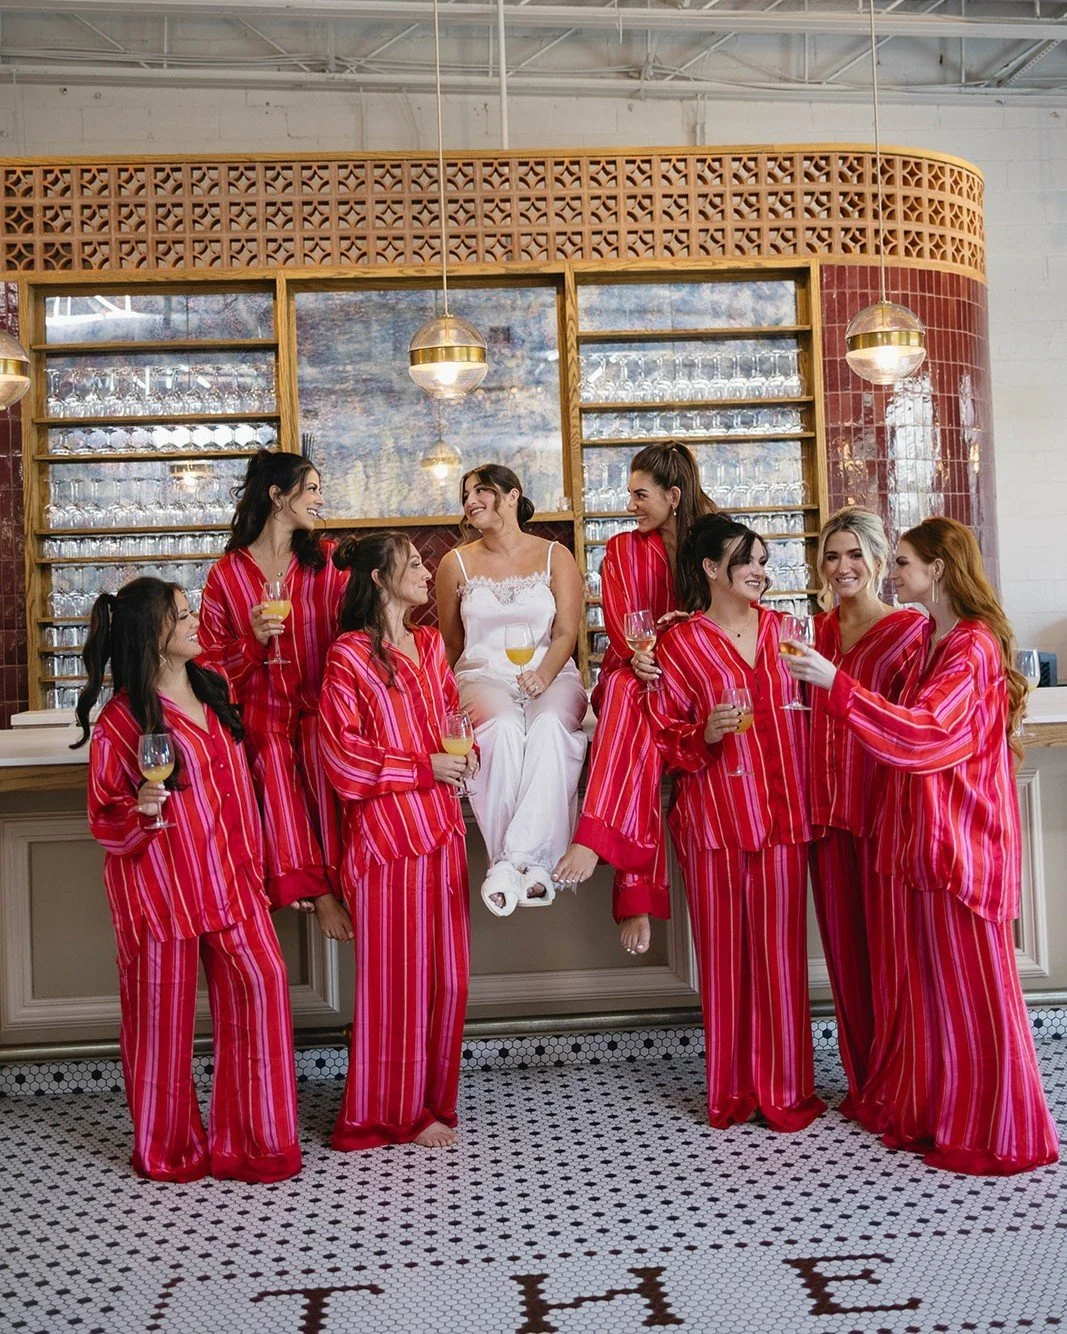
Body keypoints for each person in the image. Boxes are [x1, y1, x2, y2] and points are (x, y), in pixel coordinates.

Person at [785, 516, 1059, 1174]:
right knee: (935, 999)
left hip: (960, 847)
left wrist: (834, 685)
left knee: (975, 999)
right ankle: (939, 1115)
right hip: (922, 844)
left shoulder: (969, 646)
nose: (892, 572)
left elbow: (925, 735)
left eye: (901, 561)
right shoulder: (933, 642)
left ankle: (1000, 1133)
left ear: (936, 569)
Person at [74, 577, 301, 1183]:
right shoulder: (121, 722)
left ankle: (255, 1144)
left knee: (264, 986)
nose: (197, 619)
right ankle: (167, 1151)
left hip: (231, 881)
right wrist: (140, 809)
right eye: (183, 614)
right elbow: (103, 815)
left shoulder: (211, 684)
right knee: (159, 1024)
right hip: (161, 890)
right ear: (154, 634)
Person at [650, 513, 824, 1133]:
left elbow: (820, 713)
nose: (759, 571)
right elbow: (661, 736)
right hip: (715, 818)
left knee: (781, 959)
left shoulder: (791, 631)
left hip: (783, 814)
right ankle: (732, 1092)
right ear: (710, 569)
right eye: (747, 559)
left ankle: (786, 1090)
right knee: (723, 960)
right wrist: (704, 732)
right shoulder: (679, 643)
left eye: (763, 559)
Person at [319, 534, 475, 1150]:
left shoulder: (432, 644)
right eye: (411, 564)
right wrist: (423, 767)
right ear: (379, 580)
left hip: (442, 830)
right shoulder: (348, 656)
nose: (424, 570)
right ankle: (385, 1115)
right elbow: (342, 758)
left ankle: (430, 1103)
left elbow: (450, 719)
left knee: (448, 980)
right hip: (387, 841)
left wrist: (466, 755)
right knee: (396, 983)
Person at [552, 442, 715, 953]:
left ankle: (597, 836)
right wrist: (645, 658)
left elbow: (731, 612)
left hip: (699, 678)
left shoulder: (715, 542)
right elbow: (624, 629)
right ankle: (634, 895)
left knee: (630, 709)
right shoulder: (621, 549)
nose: (631, 505)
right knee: (626, 693)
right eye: (629, 494)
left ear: (673, 494)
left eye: (640, 495)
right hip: (637, 672)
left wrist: (677, 651)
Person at [198, 449, 351, 943]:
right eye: (311, 489)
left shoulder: (327, 562)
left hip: (322, 707)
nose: (320, 499)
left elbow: (359, 626)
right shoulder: (226, 575)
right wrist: (253, 643)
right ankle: (317, 891)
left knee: (325, 753)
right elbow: (207, 667)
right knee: (267, 753)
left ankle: (342, 883)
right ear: (277, 495)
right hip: (261, 713)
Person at [807, 507, 926, 1118]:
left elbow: (915, 727)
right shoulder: (815, 632)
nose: (843, 566)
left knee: (892, 958)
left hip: (884, 814)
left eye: (855, 554)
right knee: (847, 960)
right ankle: (865, 1084)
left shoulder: (909, 631)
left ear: (879, 560)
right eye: (833, 555)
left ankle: (902, 1086)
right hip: (825, 815)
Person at [436, 464, 587, 916]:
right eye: (465, 495)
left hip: (552, 673)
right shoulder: (453, 563)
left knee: (547, 727)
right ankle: (528, 867)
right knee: (500, 728)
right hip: (482, 677)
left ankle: (511, 863)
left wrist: (543, 673)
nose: (471, 501)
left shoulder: (554, 555)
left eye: (481, 491)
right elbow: (452, 642)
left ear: (511, 495)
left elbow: (566, 631)